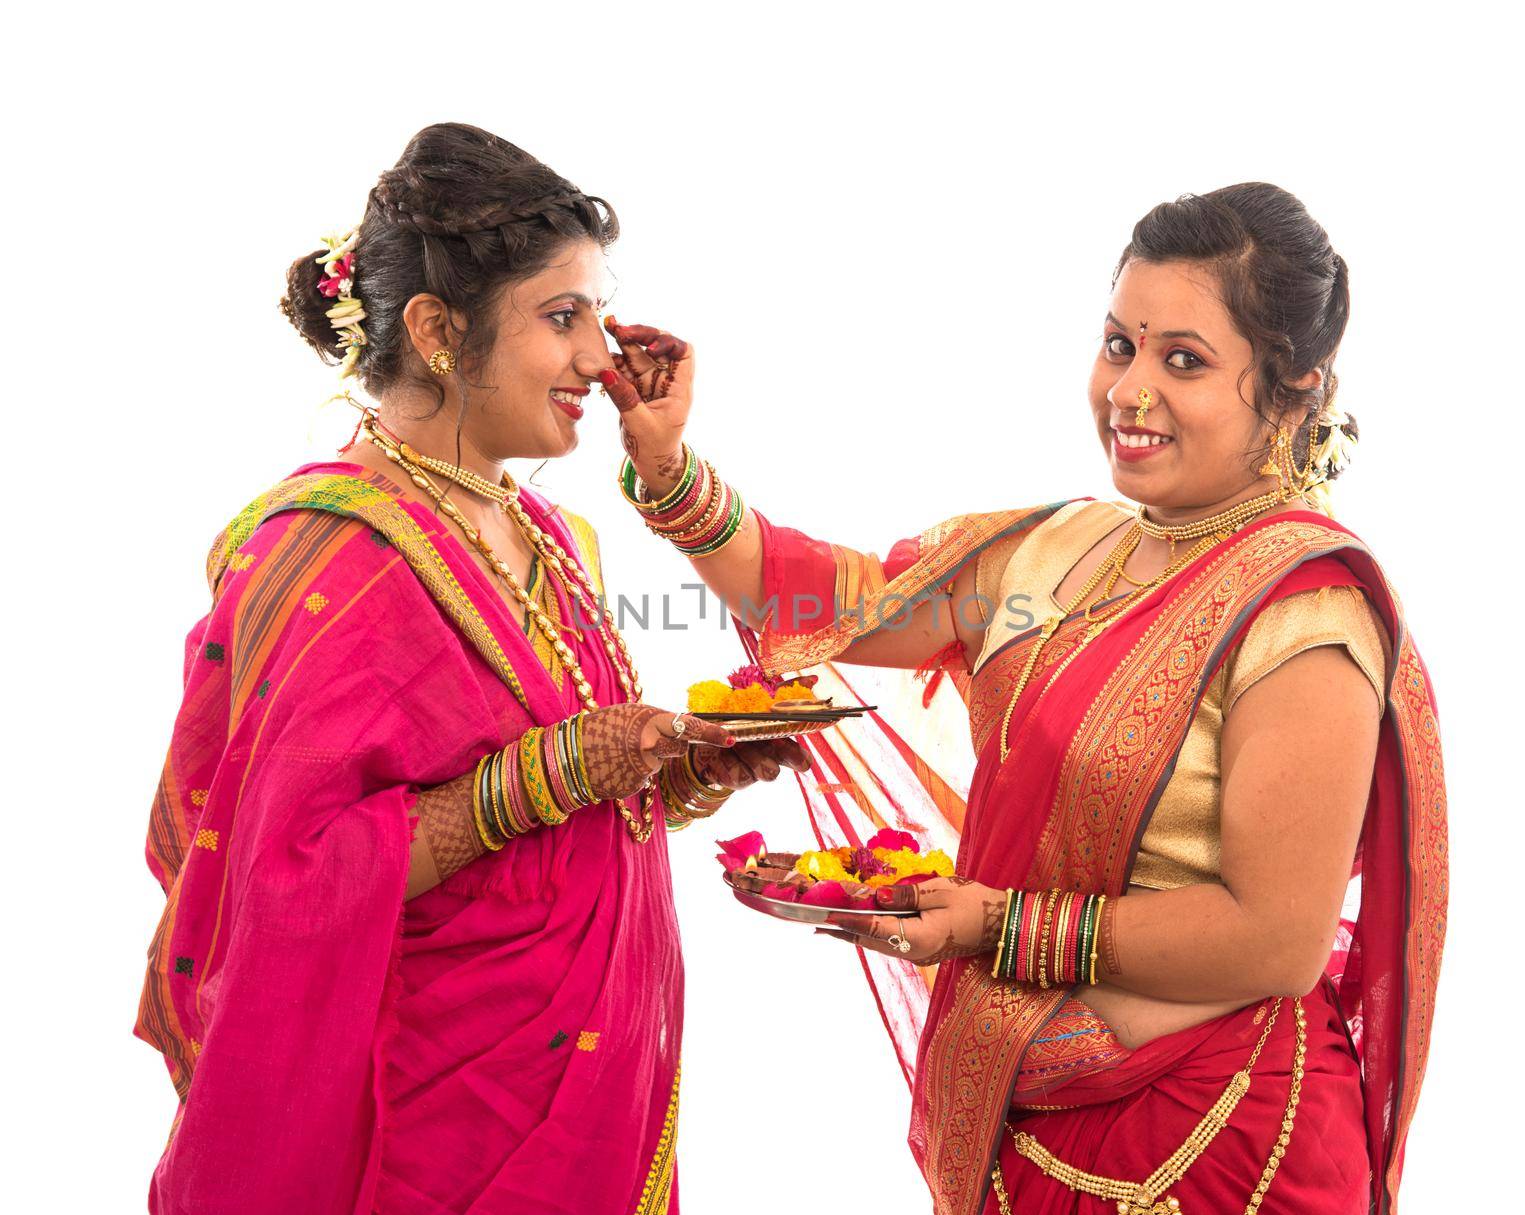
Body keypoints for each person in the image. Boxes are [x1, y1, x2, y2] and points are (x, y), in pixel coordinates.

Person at [599, 183, 1446, 1214]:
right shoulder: (1064, 547)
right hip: (1030, 1120)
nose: (1129, 391)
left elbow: (1275, 938)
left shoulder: (1302, 612)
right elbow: (841, 601)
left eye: (1184, 360)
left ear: (1293, 388)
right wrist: (667, 466)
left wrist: (997, 927)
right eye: (1118, 343)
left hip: (1219, 1145)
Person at [132, 122, 809, 1214]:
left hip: (592, 1081)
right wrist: (547, 776)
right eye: (561, 317)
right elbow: (289, 874)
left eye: (597, 312)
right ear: (440, 331)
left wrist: (678, 769)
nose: (600, 356)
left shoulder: (552, 535)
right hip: (435, 1123)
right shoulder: (330, 553)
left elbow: (557, 811)